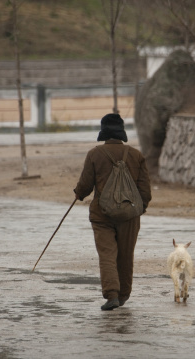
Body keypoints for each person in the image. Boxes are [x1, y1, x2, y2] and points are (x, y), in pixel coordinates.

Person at [74, 113, 152, 310]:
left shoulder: (94, 154)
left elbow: (85, 185)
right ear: (121, 132)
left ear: (104, 132)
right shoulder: (136, 155)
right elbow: (145, 191)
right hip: (130, 216)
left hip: (102, 215)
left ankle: (112, 295)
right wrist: (137, 210)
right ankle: (124, 294)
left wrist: (79, 194)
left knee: (107, 255)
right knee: (126, 256)